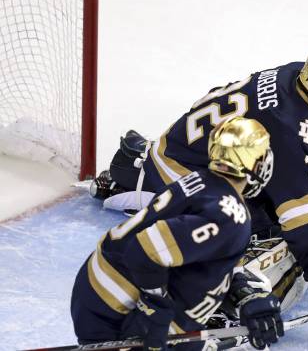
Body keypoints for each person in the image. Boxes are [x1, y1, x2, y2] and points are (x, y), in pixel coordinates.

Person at [90, 46, 308, 294]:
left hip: (187, 149)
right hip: (185, 174)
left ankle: (136, 174)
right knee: (264, 226)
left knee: (276, 198)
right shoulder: (290, 127)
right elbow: (306, 215)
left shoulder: (294, 76)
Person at [70, 116, 285, 349]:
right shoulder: (230, 216)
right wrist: (154, 310)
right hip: (117, 309)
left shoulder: (201, 181)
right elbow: (146, 248)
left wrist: (245, 295)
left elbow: (207, 257)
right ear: (256, 163)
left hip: (98, 290)